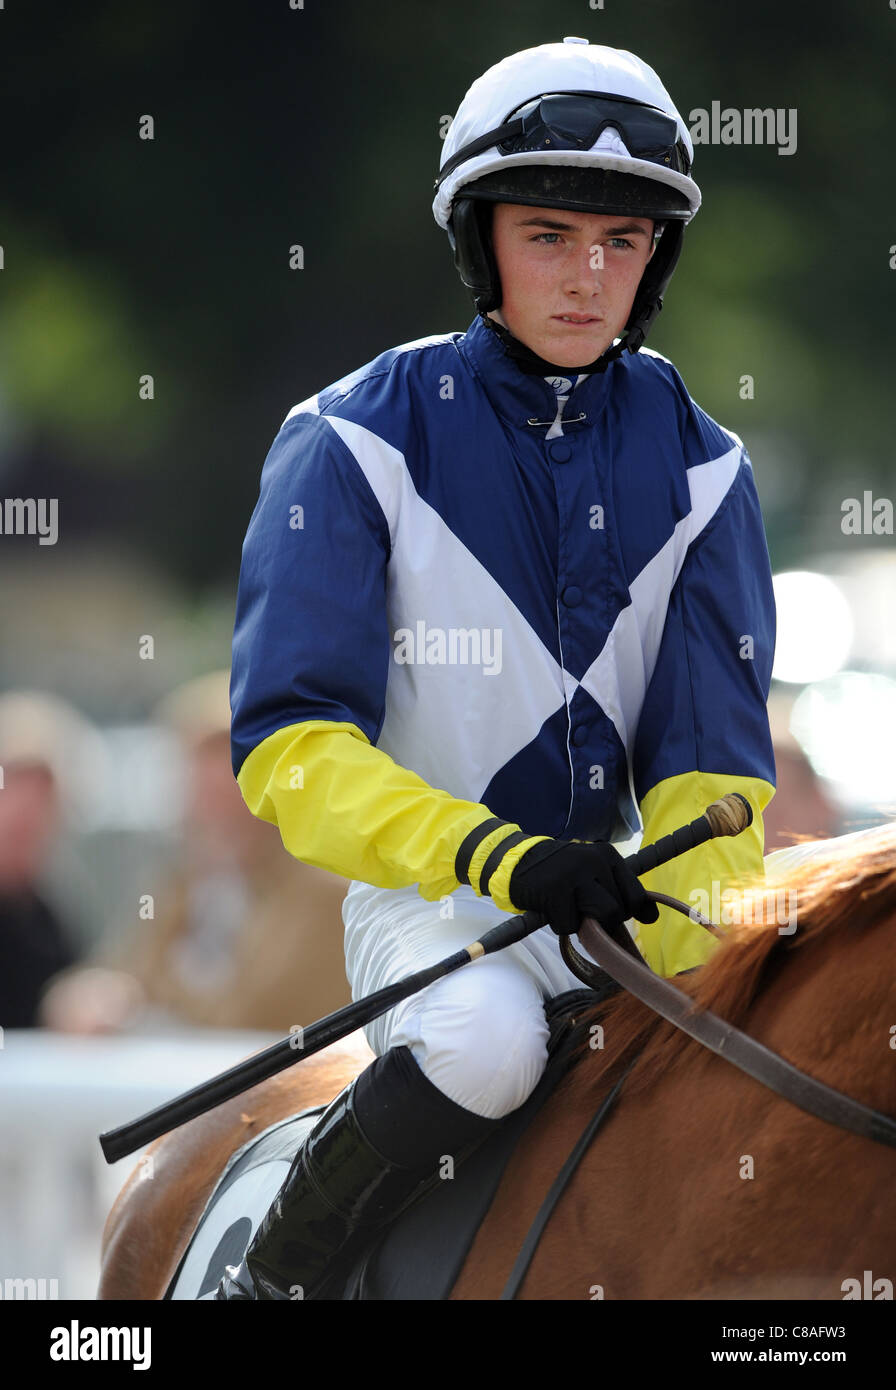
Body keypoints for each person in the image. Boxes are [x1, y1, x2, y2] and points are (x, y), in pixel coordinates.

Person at [218, 38, 776, 1299]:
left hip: (620, 905)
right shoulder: (352, 436)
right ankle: (273, 1280)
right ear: (480, 242)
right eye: (548, 236)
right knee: (480, 1046)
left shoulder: (709, 468)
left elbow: (713, 765)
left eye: (621, 243)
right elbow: (289, 749)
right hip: (435, 905)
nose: (588, 277)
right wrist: (495, 856)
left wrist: (706, 937)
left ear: (656, 258)